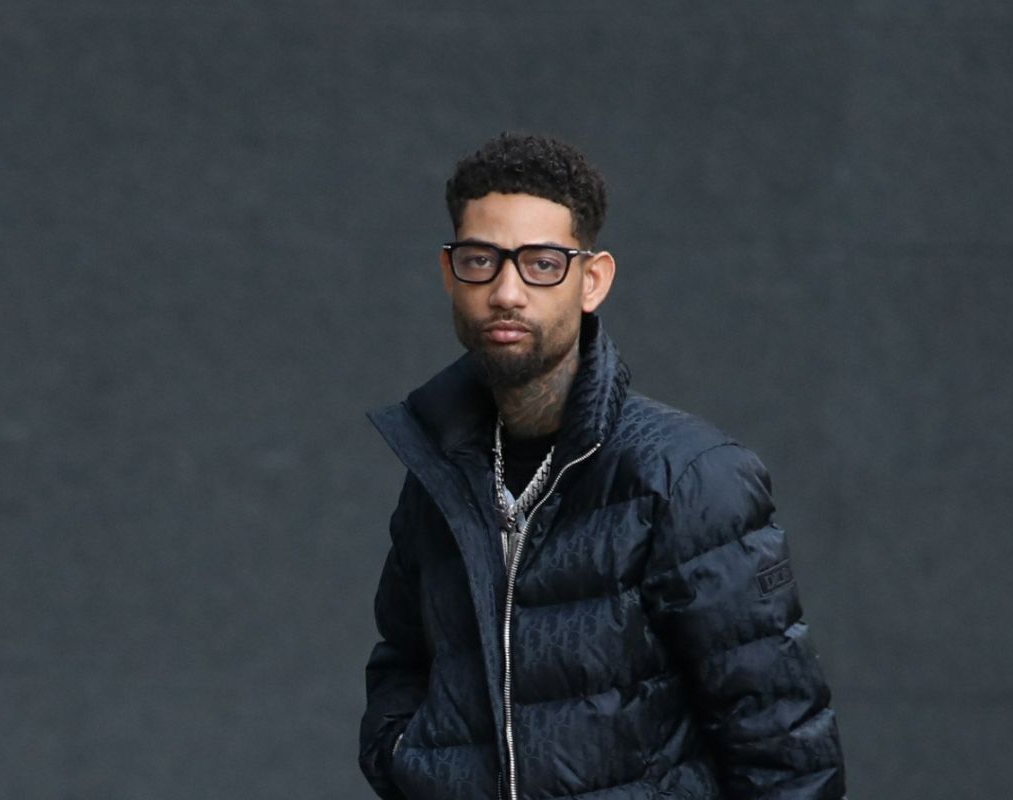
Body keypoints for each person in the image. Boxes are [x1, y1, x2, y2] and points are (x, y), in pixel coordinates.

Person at [359, 133, 846, 799]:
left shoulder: (687, 477)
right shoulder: (441, 471)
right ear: (449, 273)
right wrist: (403, 757)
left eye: (541, 264)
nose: (506, 291)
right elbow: (403, 660)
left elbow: (786, 752)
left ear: (592, 281)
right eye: (481, 261)